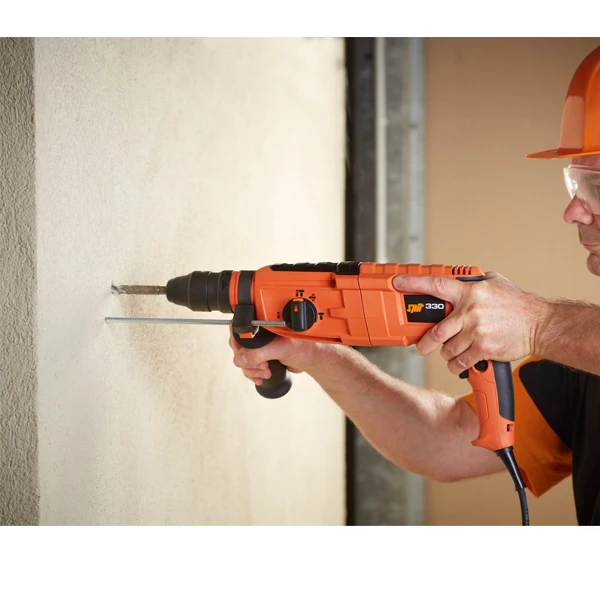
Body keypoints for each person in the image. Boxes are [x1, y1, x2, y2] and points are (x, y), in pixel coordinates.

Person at [229, 45, 600, 525]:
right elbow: (444, 440)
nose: (574, 211)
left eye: (597, 187)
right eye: (577, 185)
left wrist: (538, 324)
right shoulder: (580, 367)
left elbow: (543, 328)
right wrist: (318, 352)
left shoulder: (562, 336)